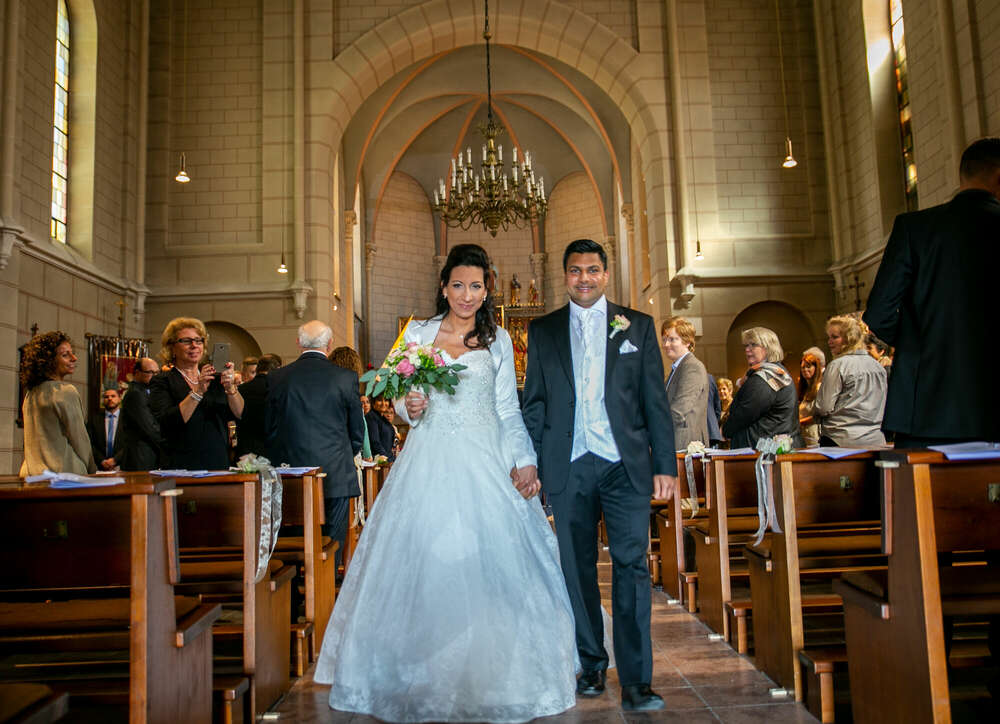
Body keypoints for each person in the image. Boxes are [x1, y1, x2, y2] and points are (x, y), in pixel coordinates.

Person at [314, 244, 577, 723]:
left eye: (476, 286)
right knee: (425, 560)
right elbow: (394, 395)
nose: (467, 295)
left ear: (487, 289)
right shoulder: (417, 332)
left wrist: (524, 460)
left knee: (491, 562)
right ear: (443, 286)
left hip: (486, 457)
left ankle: (493, 669)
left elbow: (506, 410)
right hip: (429, 456)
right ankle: (422, 668)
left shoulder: (496, 340)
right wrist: (407, 409)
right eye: (458, 284)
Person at [522, 238, 677, 711]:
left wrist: (664, 465)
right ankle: (591, 664)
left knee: (632, 567)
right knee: (577, 569)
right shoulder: (543, 330)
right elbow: (535, 402)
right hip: (567, 466)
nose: (583, 279)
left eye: (592, 270)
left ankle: (637, 680)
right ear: (564, 275)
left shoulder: (638, 326)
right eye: (575, 271)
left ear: (605, 275)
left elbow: (656, 403)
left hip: (624, 465)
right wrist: (532, 462)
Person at [865, 138, 1000, 447]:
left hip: (926, 406)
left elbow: (878, 312)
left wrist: (919, 341)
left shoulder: (915, 228)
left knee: (924, 494)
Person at [266, 322, 365, 551]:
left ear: (299, 343)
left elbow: (270, 430)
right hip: (336, 474)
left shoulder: (278, 378)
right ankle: (327, 585)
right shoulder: (345, 377)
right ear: (330, 344)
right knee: (331, 545)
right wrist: (346, 453)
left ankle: (294, 585)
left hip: (291, 474)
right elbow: (356, 429)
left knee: (292, 541)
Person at [149, 317, 244, 469]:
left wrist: (230, 387)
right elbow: (169, 422)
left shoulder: (214, 378)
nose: (194, 346)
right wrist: (198, 391)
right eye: (186, 341)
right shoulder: (163, 381)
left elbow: (239, 414)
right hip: (182, 464)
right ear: (172, 347)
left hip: (217, 462)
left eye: (198, 341)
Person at [19, 331, 96, 476]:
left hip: (31, 475)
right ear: (48, 361)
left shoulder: (31, 394)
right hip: (63, 474)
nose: (74, 358)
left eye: (72, 353)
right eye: (65, 355)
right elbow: (80, 440)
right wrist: (92, 470)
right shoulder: (65, 391)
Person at [722, 327, 802, 449]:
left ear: (768, 347)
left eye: (753, 345)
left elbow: (745, 413)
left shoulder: (764, 379)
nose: (747, 350)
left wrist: (725, 430)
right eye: (746, 346)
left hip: (764, 452)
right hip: (770, 446)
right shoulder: (776, 372)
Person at [813, 315, 887, 447]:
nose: (829, 342)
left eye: (835, 337)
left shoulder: (838, 365)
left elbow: (823, 407)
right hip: (875, 438)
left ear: (850, 338)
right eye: (829, 337)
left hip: (841, 440)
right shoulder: (877, 366)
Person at [661, 316, 710, 450]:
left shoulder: (692, 367)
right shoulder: (678, 367)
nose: (666, 345)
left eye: (672, 339)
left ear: (687, 341)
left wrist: (653, 428)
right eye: (664, 340)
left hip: (685, 442)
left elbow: (679, 410)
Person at [116, 357, 164, 471]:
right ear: (137, 373)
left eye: (157, 372)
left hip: (148, 455)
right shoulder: (135, 394)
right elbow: (149, 427)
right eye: (150, 372)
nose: (155, 376)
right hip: (140, 458)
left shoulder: (146, 391)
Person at [233, 353, 280, 458]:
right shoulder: (278, 390)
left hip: (245, 451)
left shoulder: (241, 390)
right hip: (270, 451)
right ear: (278, 369)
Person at [87, 387, 124, 470]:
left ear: (119, 399)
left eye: (113, 396)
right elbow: (88, 442)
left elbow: (131, 443)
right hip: (99, 466)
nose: (109, 398)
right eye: (106, 397)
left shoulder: (127, 418)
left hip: (122, 465)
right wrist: (102, 460)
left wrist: (115, 460)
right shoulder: (94, 419)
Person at [797, 352, 824, 447]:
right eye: (803, 367)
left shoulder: (819, 388)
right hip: (804, 434)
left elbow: (820, 415)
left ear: (816, 368)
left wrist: (800, 422)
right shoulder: (805, 389)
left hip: (814, 435)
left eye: (808, 367)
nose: (805, 370)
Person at [366, 395, 397, 461]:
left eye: (386, 400)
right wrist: (387, 459)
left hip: (388, 459)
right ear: (374, 402)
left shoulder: (382, 418)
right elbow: (375, 442)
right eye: (380, 400)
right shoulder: (371, 417)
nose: (383, 403)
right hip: (380, 462)